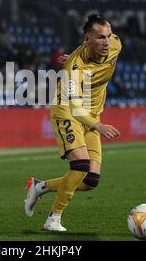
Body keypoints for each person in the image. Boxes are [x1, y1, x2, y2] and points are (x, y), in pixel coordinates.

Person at [24, 14, 122, 231]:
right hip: (68, 112)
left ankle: (40, 187)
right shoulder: (74, 69)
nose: (106, 42)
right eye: (100, 38)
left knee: (90, 181)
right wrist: (98, 126)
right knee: (80, 166)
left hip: (92, 115)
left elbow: (103, 43)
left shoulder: (115, 45)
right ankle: (53, 219)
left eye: (107, 36)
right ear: (87, 39)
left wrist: (94, 122)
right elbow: (76, 109)